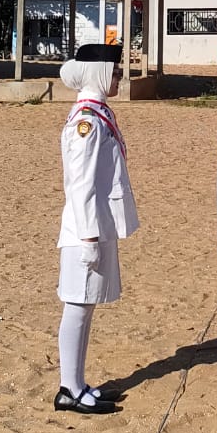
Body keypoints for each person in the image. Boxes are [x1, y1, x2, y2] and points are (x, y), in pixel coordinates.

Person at [53, 43, 139, 414]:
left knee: (85, 307)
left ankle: (77, 382)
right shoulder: (86, 122)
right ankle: (68, 388)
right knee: (76, 307)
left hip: (95, 225)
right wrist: (88, 237)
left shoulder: (98, 114)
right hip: (83, 230)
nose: (119, 77)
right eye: (115, 71)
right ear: (99, 73)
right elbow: (80, 184)